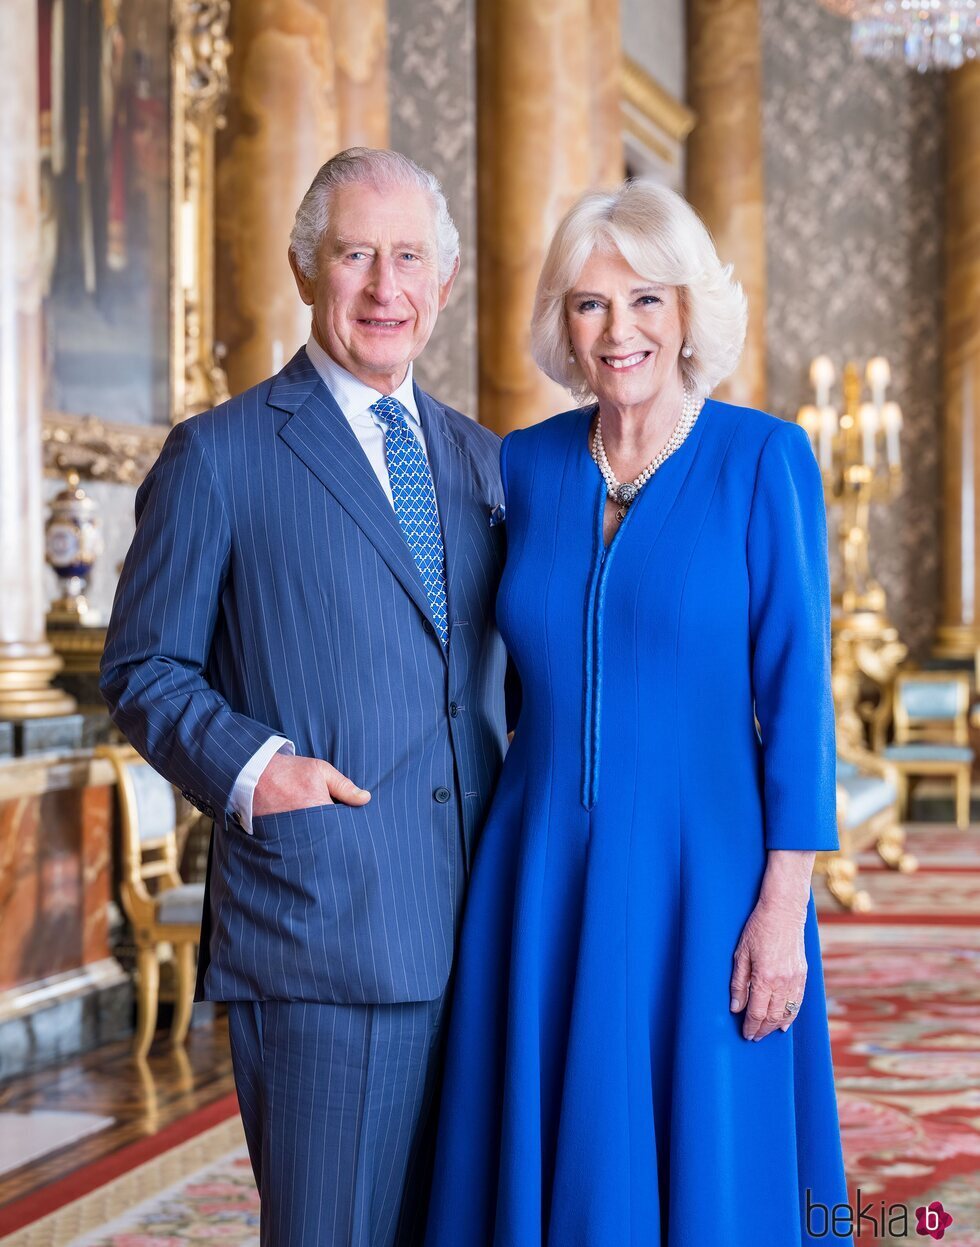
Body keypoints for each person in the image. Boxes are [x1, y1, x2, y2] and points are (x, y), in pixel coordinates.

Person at [424, 180, 853, 1247]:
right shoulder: (521, 463)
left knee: (711, 1159)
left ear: (687, 312)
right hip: (540, 869)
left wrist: (779, 906)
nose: (618, 330)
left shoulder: (764, 458)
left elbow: (798, 690)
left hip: (706, 868)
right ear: (560, 326)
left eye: (646, 300)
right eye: (588, 305)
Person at [100, 147, 511, 1247]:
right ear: (303, 268)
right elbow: (142, 668)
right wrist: (253, 768)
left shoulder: (483, 463)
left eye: (409, 256)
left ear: (446, 280)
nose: (385, 286)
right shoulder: (219, 456)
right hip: (321, 933)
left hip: (487, 933)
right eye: (355, 254)